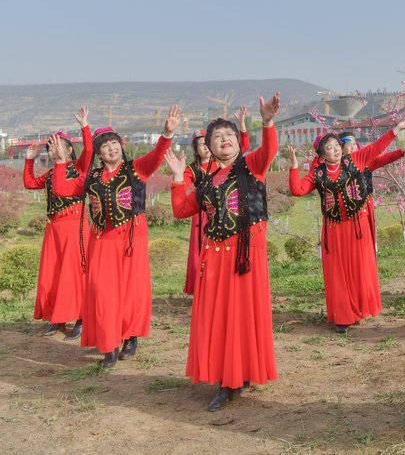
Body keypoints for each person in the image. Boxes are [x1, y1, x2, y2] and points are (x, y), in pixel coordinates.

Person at [166, 94, 281, 411]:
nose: (224, 139)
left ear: (238, 142)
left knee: (241, 317)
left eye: (229, 134)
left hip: (245, 256)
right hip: (214, 257)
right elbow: (181, 211)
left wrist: (267, 122)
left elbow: (270, 150)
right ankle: (228, 377)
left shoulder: (251, 166)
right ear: (209, 146)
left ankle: (234, 380)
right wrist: (178, 178)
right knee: (220, 319)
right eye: (216, 136)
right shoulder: (205, 180)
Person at [48, 106, 181, 366]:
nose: (112, 148)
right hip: (102, 240)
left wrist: (166, 133)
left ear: (121, 145)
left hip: (133, 237)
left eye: (114, 143)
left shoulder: (136, 168)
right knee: (103, 292)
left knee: (132, 290)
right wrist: (60, 162)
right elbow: (62, 189)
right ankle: (109, 344)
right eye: (105, 146)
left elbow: (156, 156)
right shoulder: (92, 176)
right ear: (98, 153)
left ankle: (130, 336)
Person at [286, 119, 405, 334]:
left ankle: (361, 308)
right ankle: (343, 316)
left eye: (337, 146)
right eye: (330, 148)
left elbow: (376, 150)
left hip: (357, 226)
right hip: (334, 228)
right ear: (322, 154)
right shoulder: (317, 175)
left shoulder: (354, 160)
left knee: (359, 267)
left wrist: (395, 131)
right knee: (337, 272)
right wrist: (293, 165)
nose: (335, 150)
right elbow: (297, 190)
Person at [23, 111, 93, 340]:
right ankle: (58, 318)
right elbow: (30, 183)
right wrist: (29, 159)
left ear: (70, 150)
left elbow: (90, 151)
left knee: (75, 274)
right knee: (53, 275)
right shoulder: (53, 173)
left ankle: (82, 318)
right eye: (51, 147)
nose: (55, 150)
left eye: (59, 146)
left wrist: (84, 127)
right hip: (53, 229)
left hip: (76, 227)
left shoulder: (79, 168)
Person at [182, 107, 251, 295]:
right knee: (201, 250)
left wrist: (243, 126)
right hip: (203, 213)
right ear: (197, 148)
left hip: (228, 211)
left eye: (206, 143)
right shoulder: (193, 169)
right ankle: (200, 285)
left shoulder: (226, 163)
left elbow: (243, 147)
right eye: (201, 145)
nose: (204, 148)